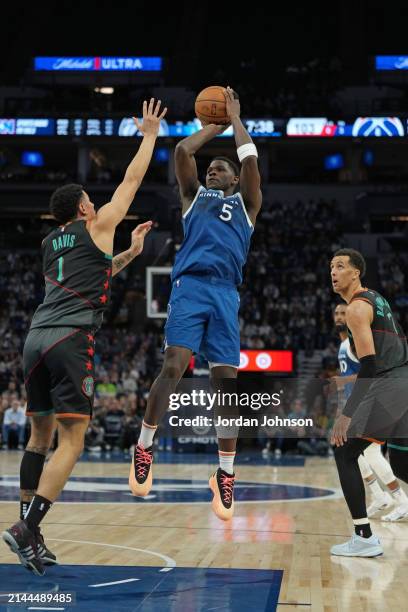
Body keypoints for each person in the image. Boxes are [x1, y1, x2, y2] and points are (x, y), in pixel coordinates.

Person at [2, 98, 167, 575]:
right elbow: (131, 182)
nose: (97, 204)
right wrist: (150, 135)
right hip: (71, 339)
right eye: (90, 201)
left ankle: (29, 531)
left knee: (39, 439)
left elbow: (95, 274)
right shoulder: (97, 223)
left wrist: (130, 255)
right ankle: (27, 528)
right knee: (73, 440)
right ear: (81, 207)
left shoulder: (49, 243)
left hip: (35, 339)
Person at [129, 87, 262, 521]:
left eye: (221, 168)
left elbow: (250, 161)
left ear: (235, 180)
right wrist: (213, 127)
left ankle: (224, 474)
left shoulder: (247, 205)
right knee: (175, 365)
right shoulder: (194, 198)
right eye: (210, 169)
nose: (212, 171)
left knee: (226, 385)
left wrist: (236, 119)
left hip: (226, 293)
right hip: (190, 288)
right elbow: (184, 151)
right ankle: (145, 447)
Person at [330, 248, 408, 557]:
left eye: (340, 266)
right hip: (402, 382)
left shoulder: (357, 309)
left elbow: (371, 366)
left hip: (391, 385)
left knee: (345, 452)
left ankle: (364, 537)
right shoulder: (377, 298)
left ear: (355, 273)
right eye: (331, 267)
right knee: (401, 463)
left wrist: (346, 415)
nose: (333, 272)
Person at [333, 303, 408, 521]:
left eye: (343, 313)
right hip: (357, 402)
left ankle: (401, 500)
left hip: (374, 401)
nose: (339, 317)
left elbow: (371, 372)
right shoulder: (343, 345)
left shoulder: (357, 342)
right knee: (356, 454)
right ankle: (379, 495)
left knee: (369, 453)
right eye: (336, 313)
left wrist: (344, 383)